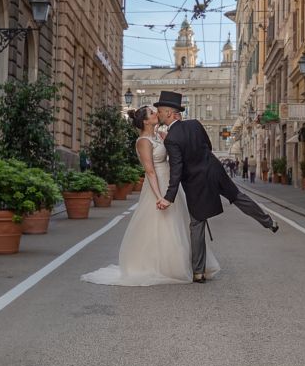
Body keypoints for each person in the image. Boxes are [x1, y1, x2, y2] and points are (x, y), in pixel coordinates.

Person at [81, 105, 219, 286]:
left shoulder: (159, 136)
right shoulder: (143, 141)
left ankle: (187, 264)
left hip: (170, 184)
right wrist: (159, 196)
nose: (157, 114)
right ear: (146, 121)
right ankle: (163, 266)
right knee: (162, 226)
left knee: (178, 225)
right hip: (157, 186)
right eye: (153, 113)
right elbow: (150, 171)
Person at [154, 91, 278, 284]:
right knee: (237, 196)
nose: (158, 115)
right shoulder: (195, 124)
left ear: (170, 113)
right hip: (214, 170)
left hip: (196, 182)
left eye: (160, 111)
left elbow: (176, 170)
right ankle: (268, 221)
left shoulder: (171, 138)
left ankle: (198, 272)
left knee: (197, 224)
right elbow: (209, 146)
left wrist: (168, 197)